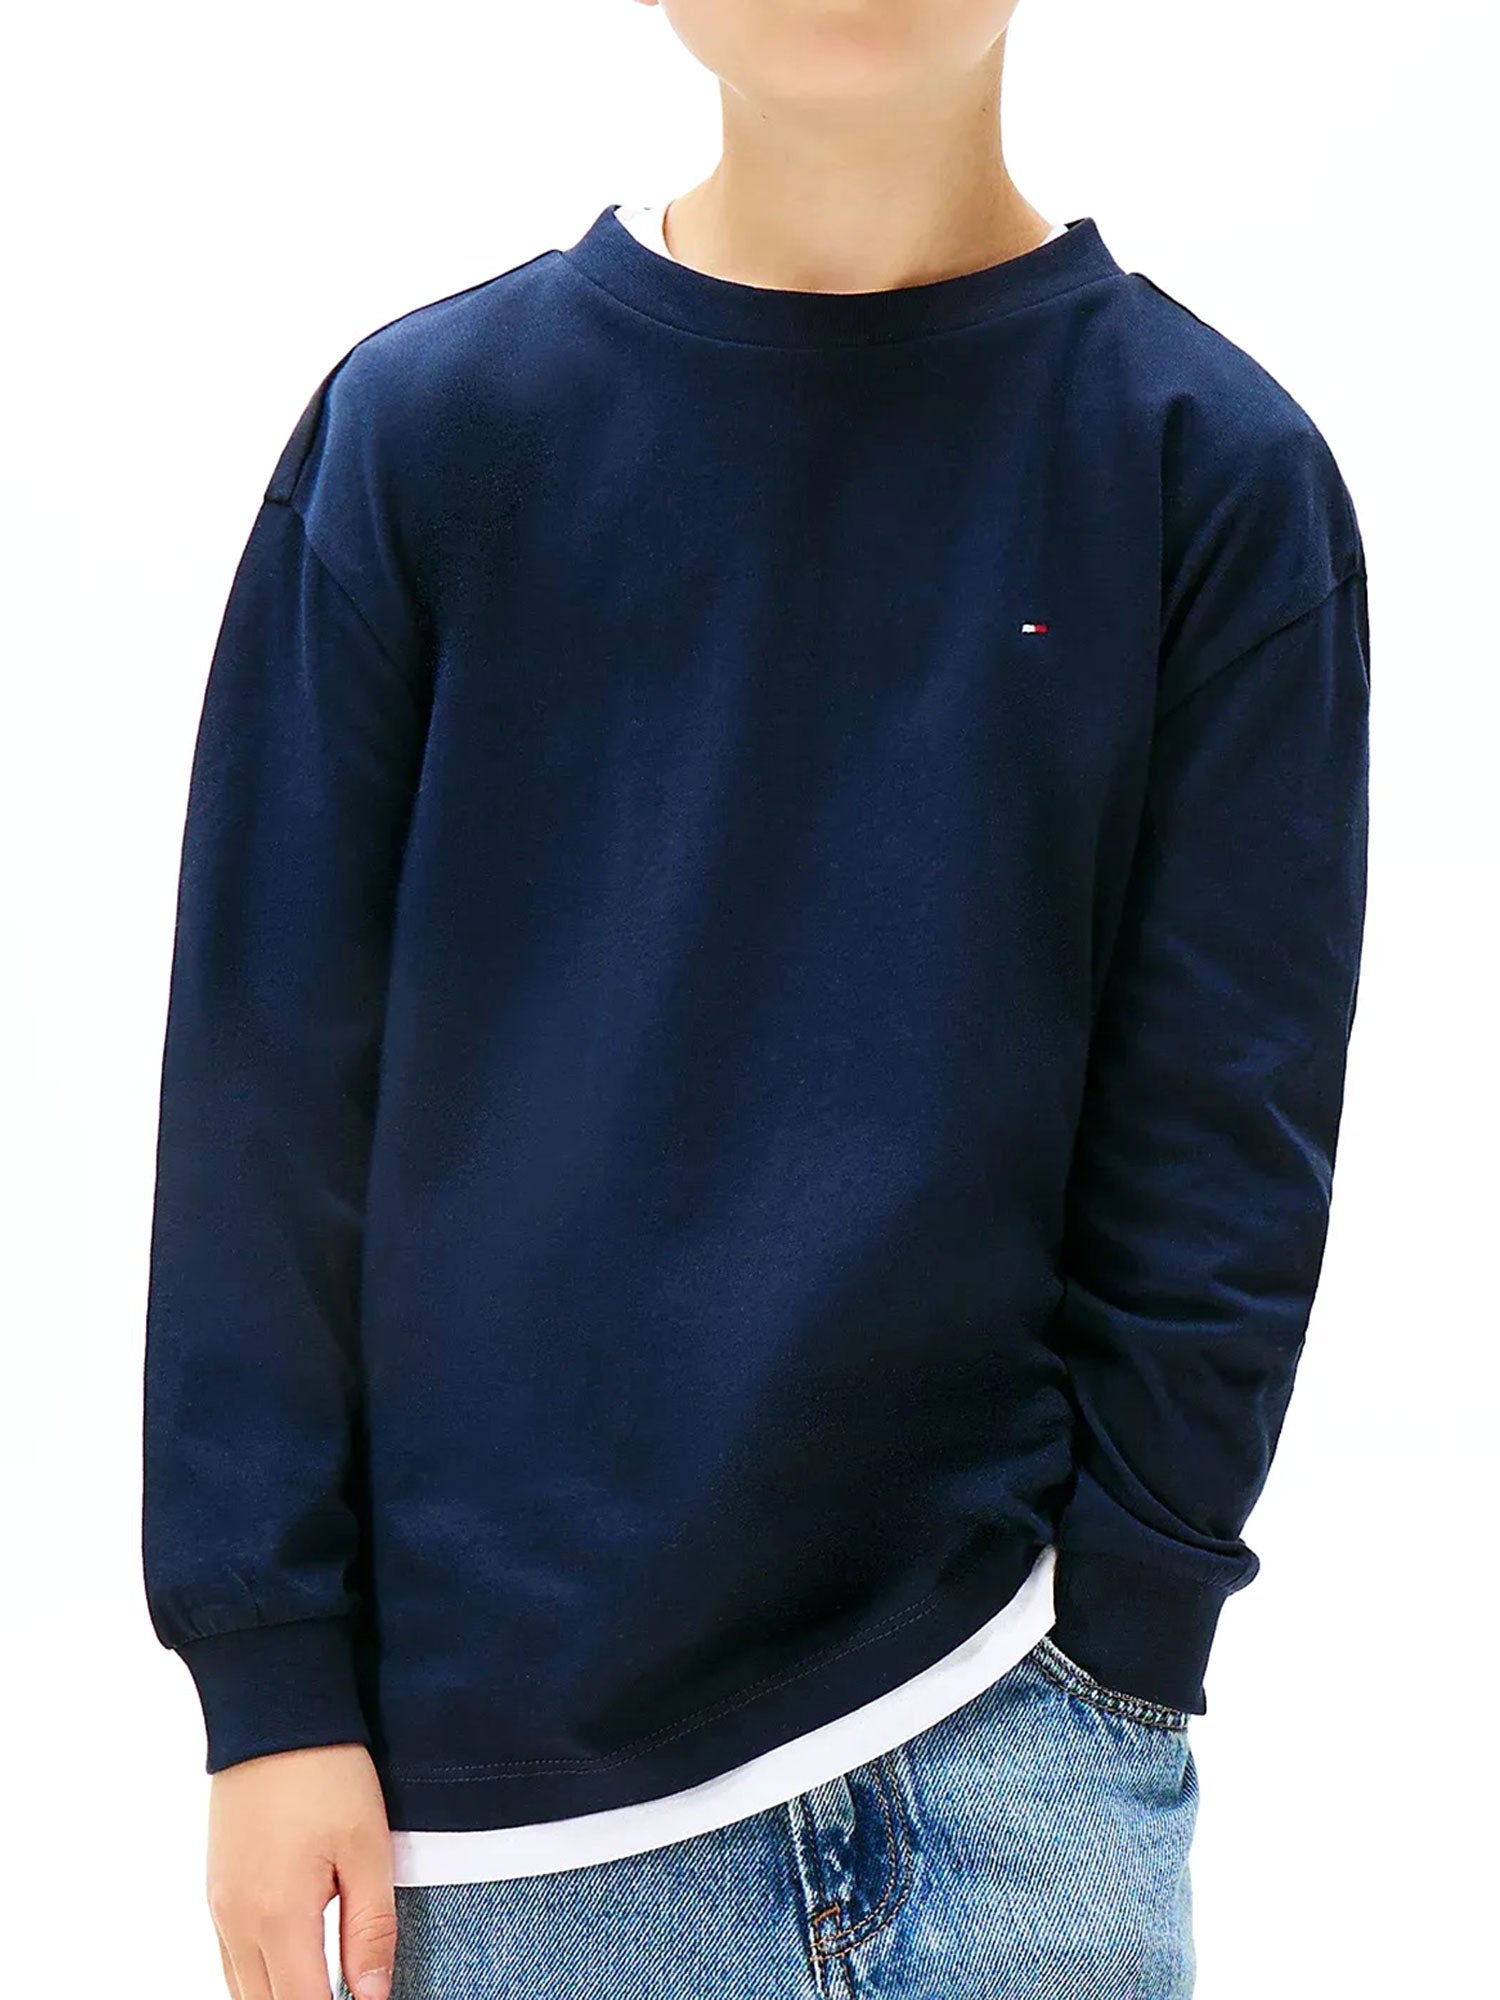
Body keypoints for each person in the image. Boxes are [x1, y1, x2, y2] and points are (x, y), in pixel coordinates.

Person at [140, 2, 1371, 1995]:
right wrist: (267, 1685)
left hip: (1015, 1761)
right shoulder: (431, 434)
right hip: (511, 1821)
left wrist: (1126, 1630)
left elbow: (1227, 1126)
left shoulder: (1205, 469)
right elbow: (263, 1101)